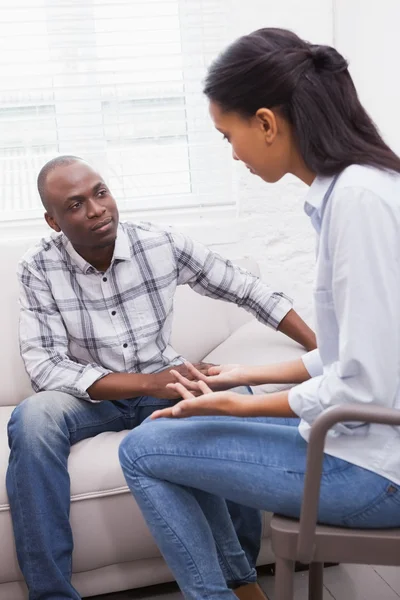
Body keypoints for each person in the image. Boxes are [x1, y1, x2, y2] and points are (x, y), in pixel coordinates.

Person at [118, 26, 400, 600]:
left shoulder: (359, 203)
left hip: (375, 471)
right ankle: (244, 589)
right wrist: (242, 378)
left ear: (267, 123)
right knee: (212, 412)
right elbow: (358, 355)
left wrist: (228, 402)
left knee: (141, 449)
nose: (233, 152)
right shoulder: (356, 190)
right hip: (363, 445)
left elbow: (367, 388)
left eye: (228, 135)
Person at [6, 154, 315, 600]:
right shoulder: (38, 266)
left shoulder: (159, 242)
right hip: (91, 394)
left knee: (235, 405)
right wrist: (150, 383)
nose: (96, 210)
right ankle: (52, 594)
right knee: (32, 420)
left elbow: (248, 289)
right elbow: (45, 365)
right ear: (52, 220)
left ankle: (240, 576)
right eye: (75, 205)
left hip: (163, 381)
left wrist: (321, 350)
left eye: (100, 193)